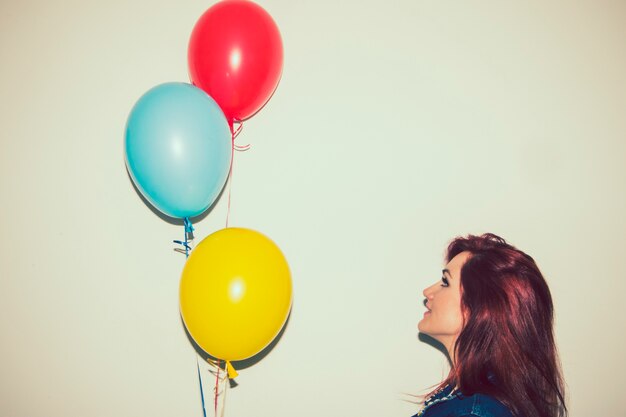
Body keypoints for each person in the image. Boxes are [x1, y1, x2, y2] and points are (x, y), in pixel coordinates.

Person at [415, 233, 567, 417]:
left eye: (445, 282)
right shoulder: (466, 391)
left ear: (481, 308)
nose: (428, 291)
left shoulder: (474, 412)